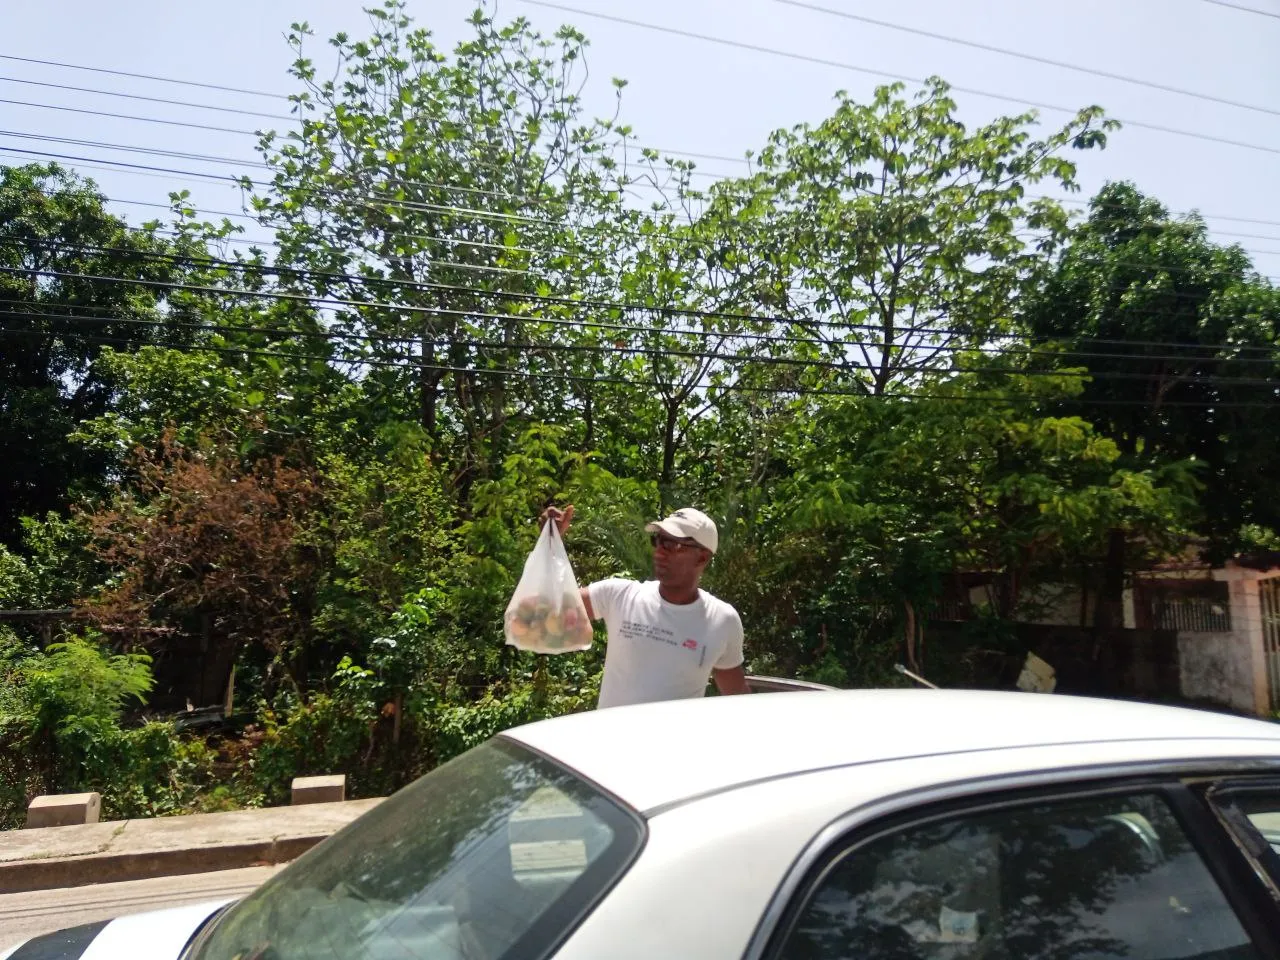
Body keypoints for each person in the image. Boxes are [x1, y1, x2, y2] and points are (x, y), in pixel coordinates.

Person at [543, 504, 751, 709]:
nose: (659, 552)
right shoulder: (619, 596)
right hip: (607, 742)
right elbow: (548, 611)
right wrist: (550, 545)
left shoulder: (723, 620)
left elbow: (738, 700)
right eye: (658, 541)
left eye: (671, 544)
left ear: (702, 557)